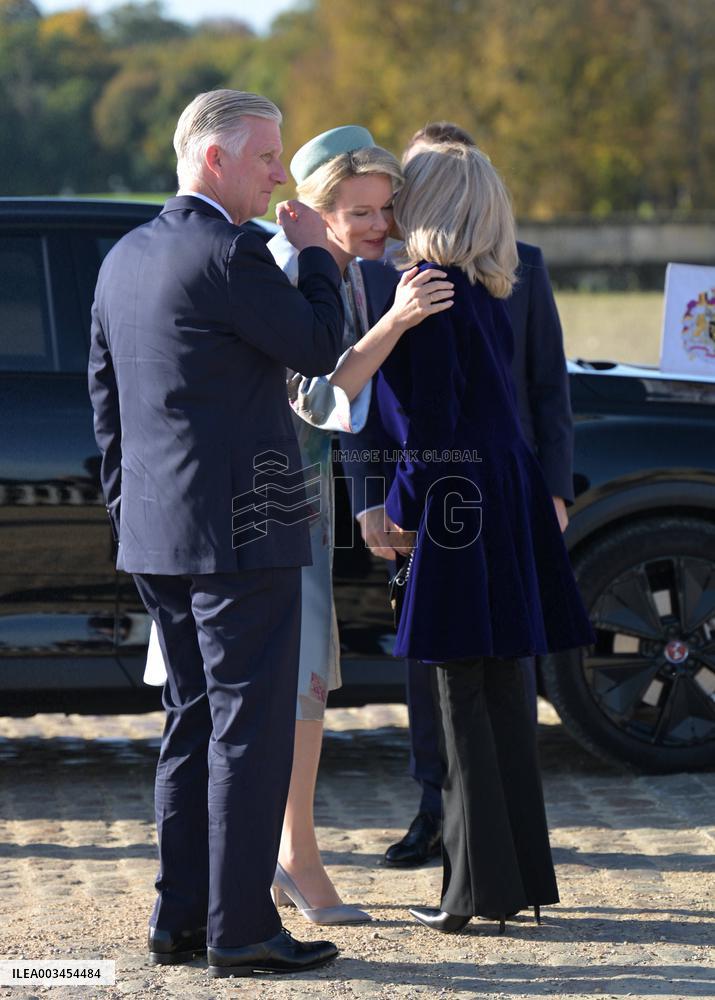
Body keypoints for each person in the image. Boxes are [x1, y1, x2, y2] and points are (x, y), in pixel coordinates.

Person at [143, 125, 454, 924]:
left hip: (298, 508)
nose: (380, 226)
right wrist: (394, 326)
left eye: (385, 209)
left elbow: (343, 416)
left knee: (299, 695)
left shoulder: (351, 274)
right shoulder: (290, 270)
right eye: (361, 212)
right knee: (287, 698)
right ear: (314, 213)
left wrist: (364, 500)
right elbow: (315, 397)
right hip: (261, 516)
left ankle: (282, 863)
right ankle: (290, 864)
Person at [88, 89, 346, 979]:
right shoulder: (233, 251)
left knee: (191, 722)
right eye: (268, 156)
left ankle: (179, 921)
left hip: (157, 537)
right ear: (214, 160)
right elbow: (317, 345)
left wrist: (130, 519)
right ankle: (240, 930)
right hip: (243, 537)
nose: (280, 173)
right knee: (249, 731)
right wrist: (316, 254)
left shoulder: (123, 256)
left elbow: (106, 410)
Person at [373, 140, 596, 933]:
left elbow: (430, 420)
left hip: (456, 495)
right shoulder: (484, 284)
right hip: (504, 488)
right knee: (503, 687)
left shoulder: (426, 290)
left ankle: (470, 890)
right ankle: (516, 882)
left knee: (461, 689)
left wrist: (398, 510)